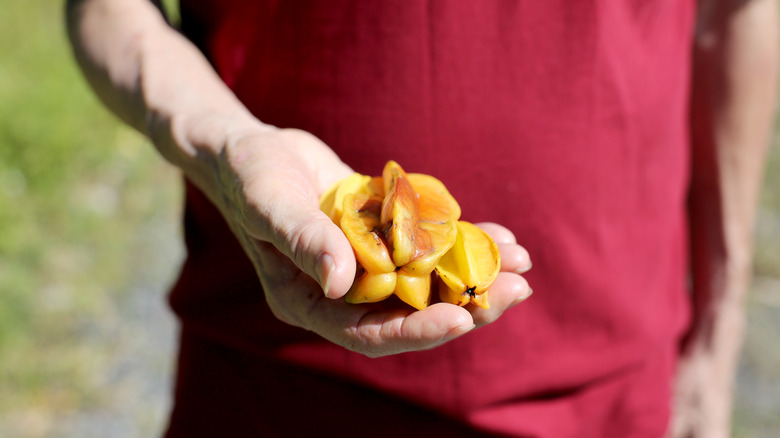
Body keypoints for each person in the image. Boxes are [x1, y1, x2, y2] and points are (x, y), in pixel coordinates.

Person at [65, 0, 777, 436]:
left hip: (606, 384)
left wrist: (718, 336)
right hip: (269, 371)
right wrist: (219, 140)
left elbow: (732, 14)